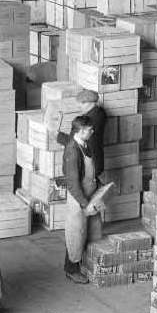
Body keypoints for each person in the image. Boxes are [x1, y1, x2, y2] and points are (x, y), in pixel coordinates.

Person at [61, 114, 106, 284]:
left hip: (90, 193)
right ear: (80, 131)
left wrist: (100, 187)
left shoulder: (85, 145)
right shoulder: (73, 151)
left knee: (91, 232)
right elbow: (72, 183)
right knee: (76, 233)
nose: (92, 131)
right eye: (89, 129)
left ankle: (85, 263)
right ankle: (71, 269)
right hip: (78, 197)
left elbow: (89, 171)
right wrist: (84, 204)